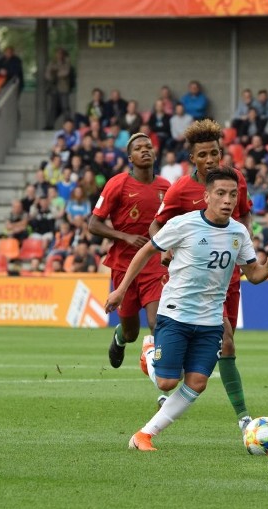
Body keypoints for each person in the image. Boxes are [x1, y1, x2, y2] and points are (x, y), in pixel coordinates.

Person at [105, 167, 268, 451]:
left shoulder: (239, 233)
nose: (227, 200)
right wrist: (121, 289)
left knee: (197, 382)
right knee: (166, 382)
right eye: (221, 194)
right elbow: (145, 252)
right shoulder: (183, 224)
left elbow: (254, 275)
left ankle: (144, 435)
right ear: (207, 196)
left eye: (233, 195)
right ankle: (148, 353)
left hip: (211, 320)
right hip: (175, 313)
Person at [149, 120, 255, 433]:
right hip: (194, 283)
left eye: (215, 153)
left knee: (223, 346)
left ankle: (165, 375)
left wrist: (245, 245)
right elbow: (157, 226)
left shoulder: (235, 181)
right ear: (192, 159)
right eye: (203, 155)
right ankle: (244, 416)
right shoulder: (181, 188)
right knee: (227, 342)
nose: (210, 160)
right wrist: (164, 253)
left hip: (228, 278)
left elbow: (244, 214)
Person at [89, 134, 171, 402]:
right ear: (130, 157)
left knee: (156, 322)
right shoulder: (118, 184)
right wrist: (124, 237)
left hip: (155, 264)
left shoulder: (166, 187)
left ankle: (161, 385)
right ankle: (120, 338)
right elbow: (94, 224)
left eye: (148, 147)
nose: (145, 151)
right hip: (124, 265)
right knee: (132, 331)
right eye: (138, 148)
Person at [45, 47, 74, 129]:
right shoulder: (52, 62)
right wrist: (53, 75)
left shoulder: (66, 62)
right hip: (54, 88)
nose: (59, 55)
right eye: (58, 53)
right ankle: (50, 125)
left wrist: (55, 72)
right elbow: (47, 74)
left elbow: (66, 72)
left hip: (64, 88)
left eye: (61, 53)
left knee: (65, 107)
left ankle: (68, 125)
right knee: (52, 108)